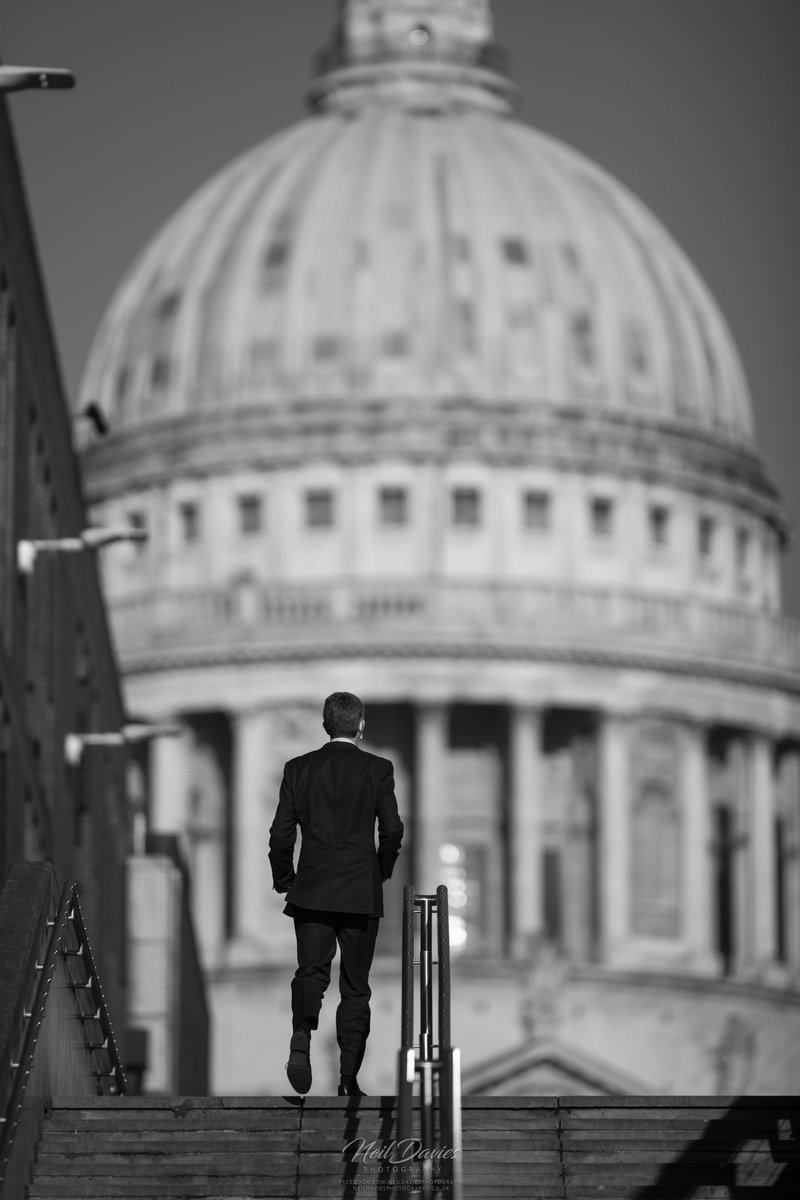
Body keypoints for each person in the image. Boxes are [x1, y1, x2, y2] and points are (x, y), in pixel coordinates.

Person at [269, 691, 404, 1096]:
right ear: (360, 726)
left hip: (311, 891)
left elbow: (280, 833)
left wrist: (285, 878)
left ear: (326, 725)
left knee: (310, 973)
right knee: (355, 987)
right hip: (360, 893)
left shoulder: (298, 768)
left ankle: (301, 1038)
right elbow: (393, 830)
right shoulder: (378, 768)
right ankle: (348, 1078)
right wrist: (380, 870)